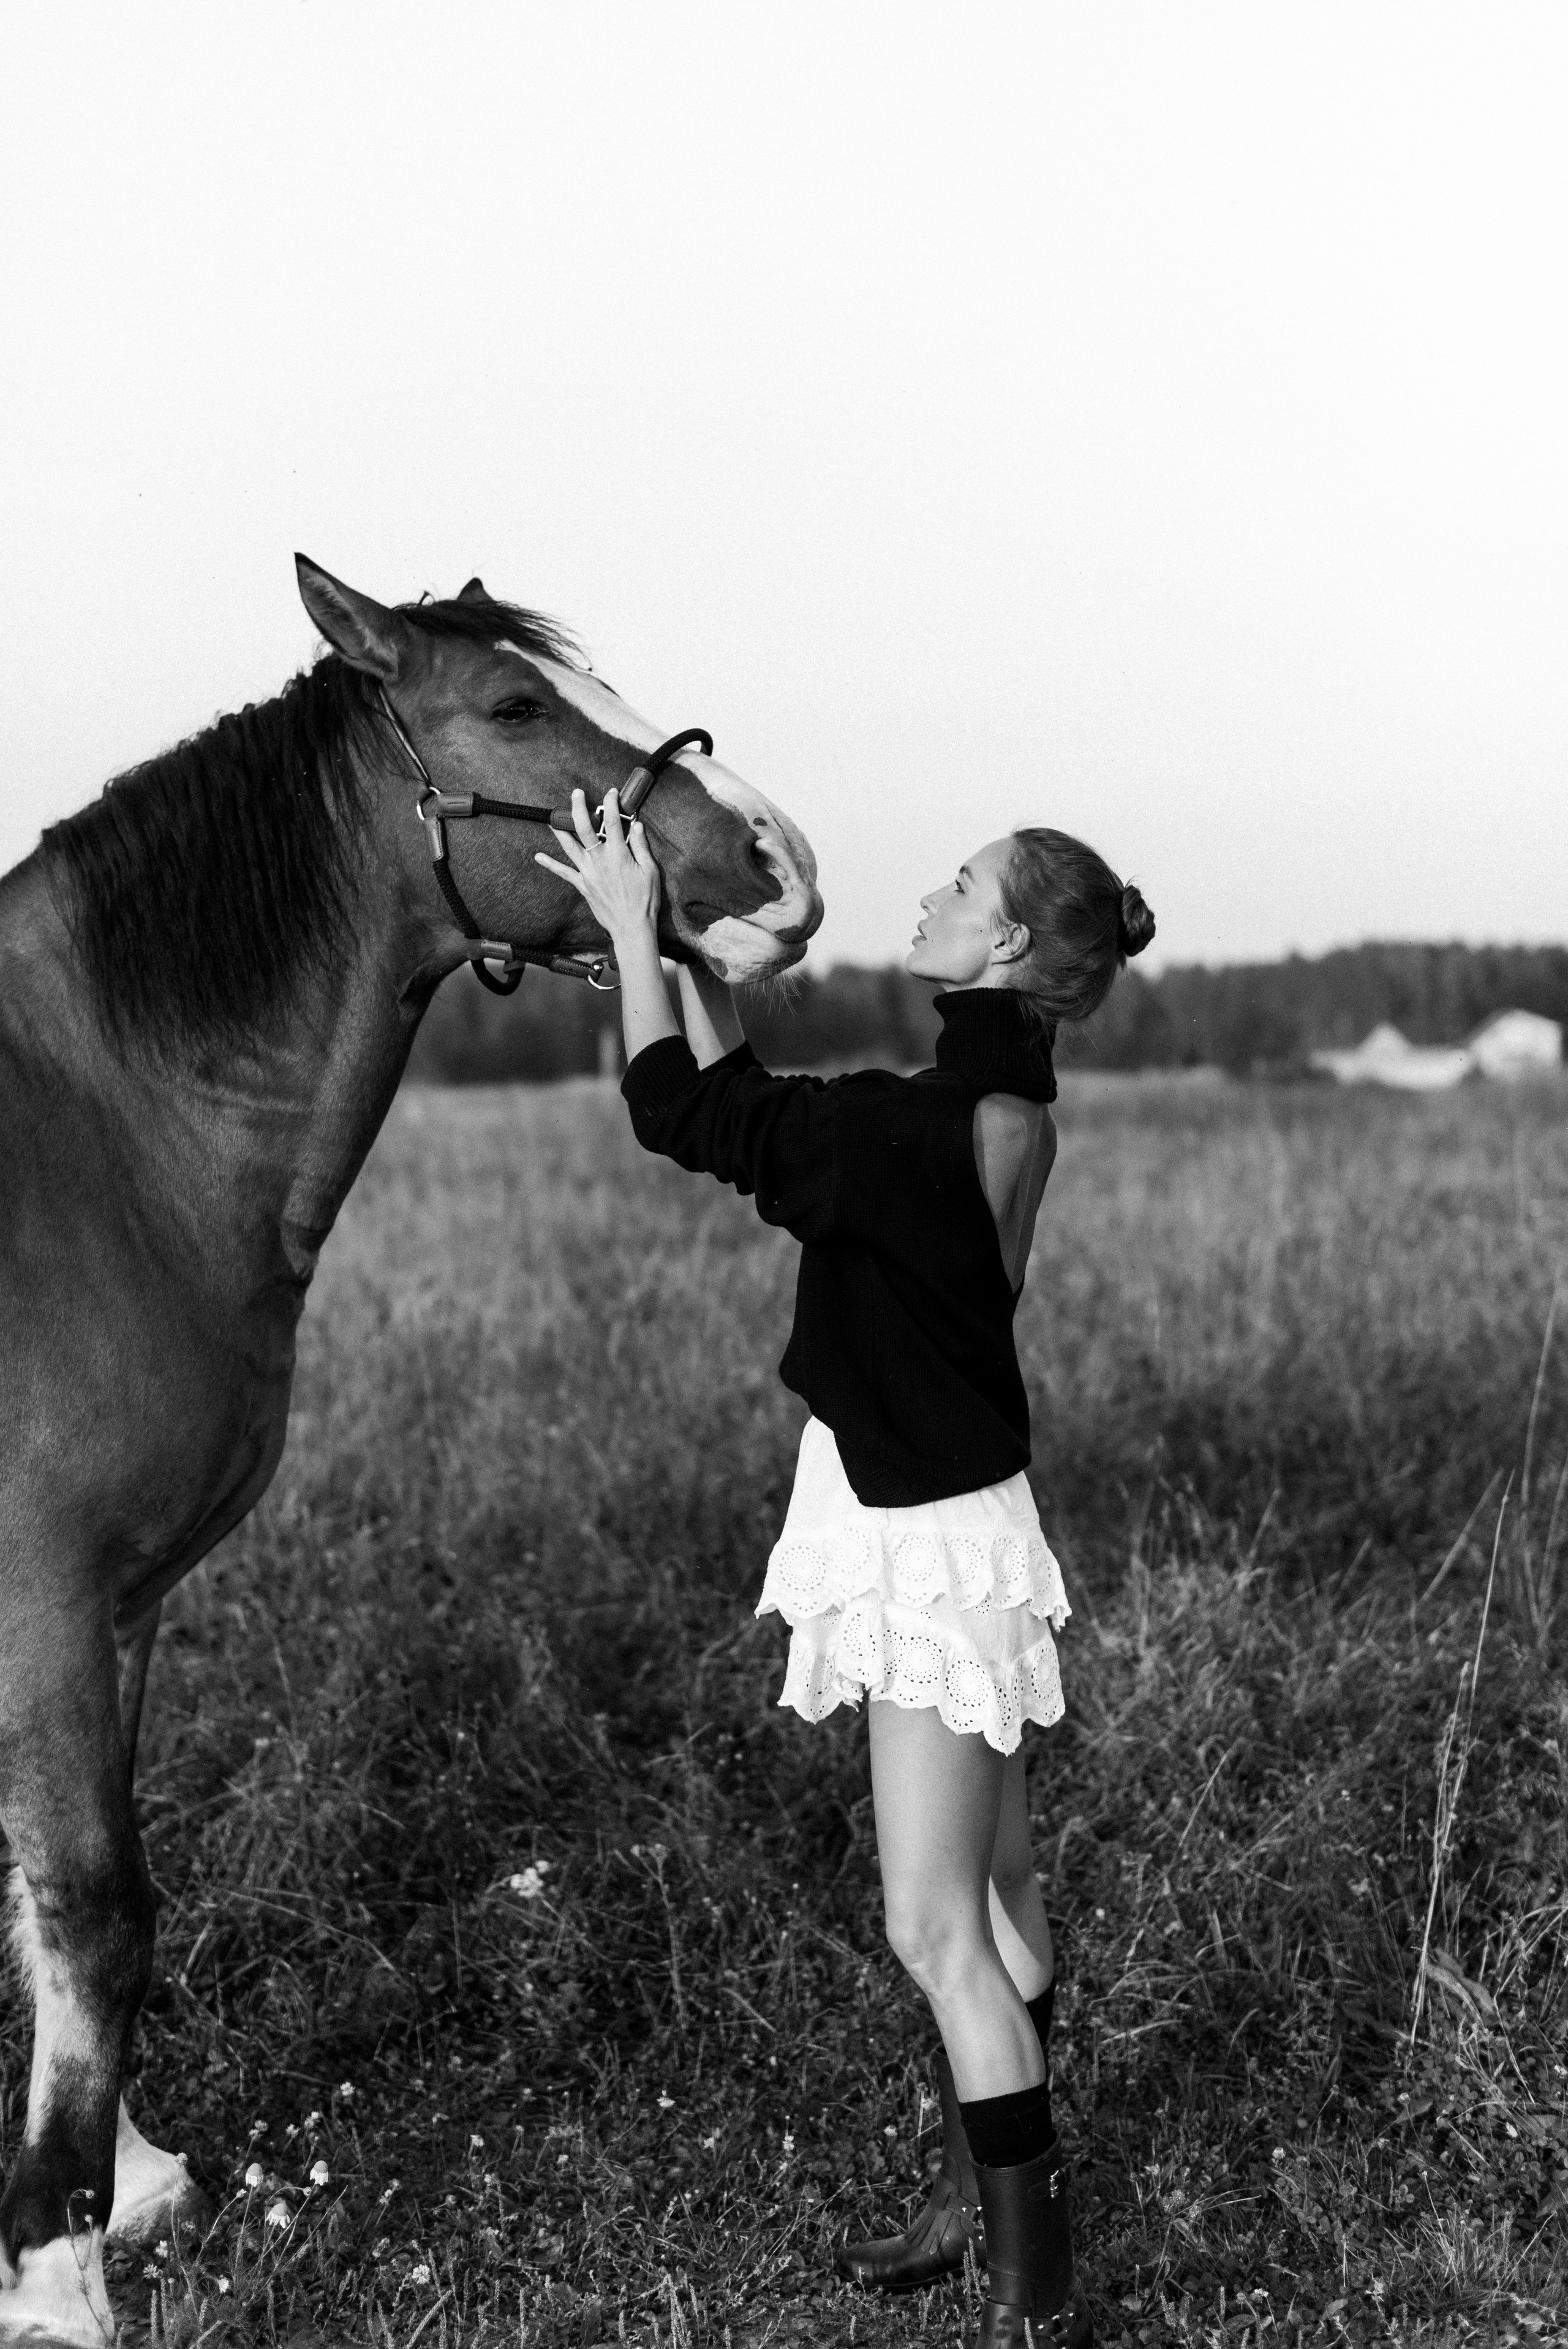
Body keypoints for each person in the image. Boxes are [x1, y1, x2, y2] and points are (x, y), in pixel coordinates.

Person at [538, 788, 1155, 2349]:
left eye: (961, 883)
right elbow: (762, 1103)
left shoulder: (918, 1126)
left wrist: (631, 929)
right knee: (1001, 1903)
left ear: (1002, 940)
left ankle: (1035, 2299)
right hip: (963, 1516)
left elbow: (687, 1114)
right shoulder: (998, 1109)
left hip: (921, 1539)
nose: (931, 891)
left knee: (929, 1926)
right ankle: (975, 2197)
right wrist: (708, 951)